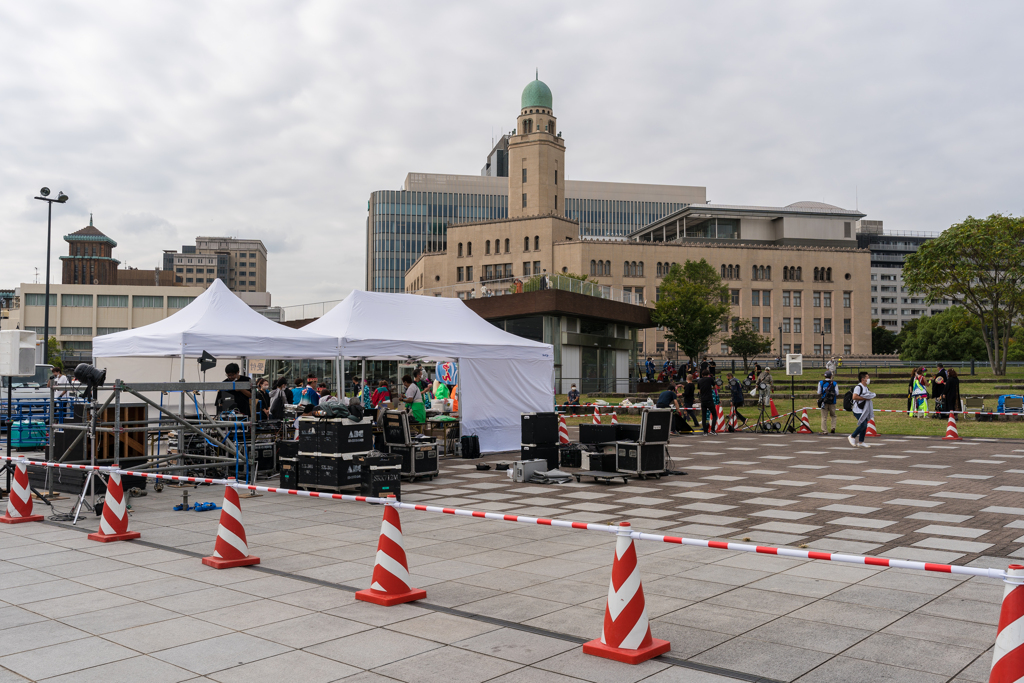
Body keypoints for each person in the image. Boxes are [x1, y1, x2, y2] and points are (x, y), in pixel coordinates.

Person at [848, 371, 876, 448]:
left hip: (864, 409)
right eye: (867, 377)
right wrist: (865, 398)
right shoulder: (858, 387)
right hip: (857, 410)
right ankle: (852, 436)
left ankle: (861, 441)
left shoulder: (866, 387)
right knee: (863, 425)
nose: (869, 379)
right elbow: (854, 397)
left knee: (865, 425)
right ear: (863, 379)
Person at [697, 370, 717, 435]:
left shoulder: (699, 380)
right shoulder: (710, 379)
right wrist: (710, 388)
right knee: (714, 414)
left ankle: (705, 431)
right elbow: (714, 387)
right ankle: (712, 429)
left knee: (704, 415)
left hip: (703, 399)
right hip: (709, 399)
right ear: (708, 374)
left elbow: (699, 390)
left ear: (702, 375)